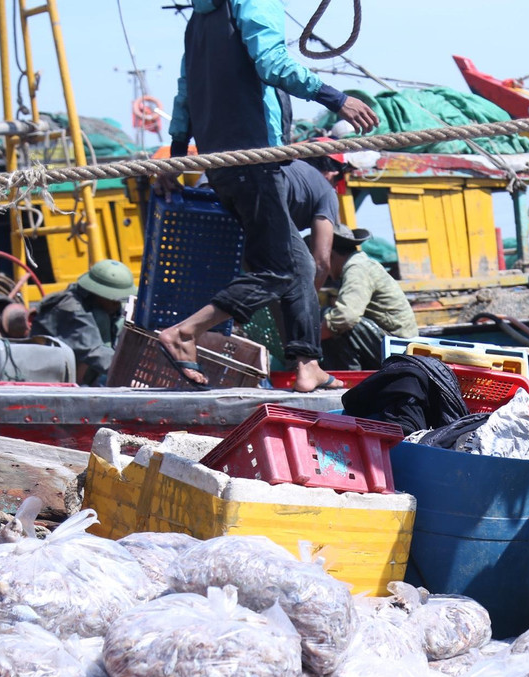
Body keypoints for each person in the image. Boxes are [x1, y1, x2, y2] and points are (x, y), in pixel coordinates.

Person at [153, 0, 379, 392]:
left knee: (300, 266)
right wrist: (335, 98)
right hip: (255, 157)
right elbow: (272, 63)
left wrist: (176, 156)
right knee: (278, 271)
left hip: (222, 163)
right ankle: (185, 333)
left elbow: (186, 91)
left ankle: (308, 365)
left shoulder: (201, 19)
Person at [321, 225, 418, 370]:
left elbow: (347, 316)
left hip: (399, 349)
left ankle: (350, 377)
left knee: (335, 322)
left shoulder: (357, 268)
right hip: (394, 345)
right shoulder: (358, 264)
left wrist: (313, 339)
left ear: (331, 255)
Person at [29, 259, 138, 386]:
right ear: (97, 293)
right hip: (48, 376)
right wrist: (133, 371)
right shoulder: (70, 307)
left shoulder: (99, 307)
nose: (116, 305)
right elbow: (93, 351)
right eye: (113, 300)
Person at [282, 157, 340, 291]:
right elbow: (321, 263)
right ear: (332, 174)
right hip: (268, 208)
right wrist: (307, 302)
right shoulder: (327, 191)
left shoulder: (291, 166)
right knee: (304, 268)